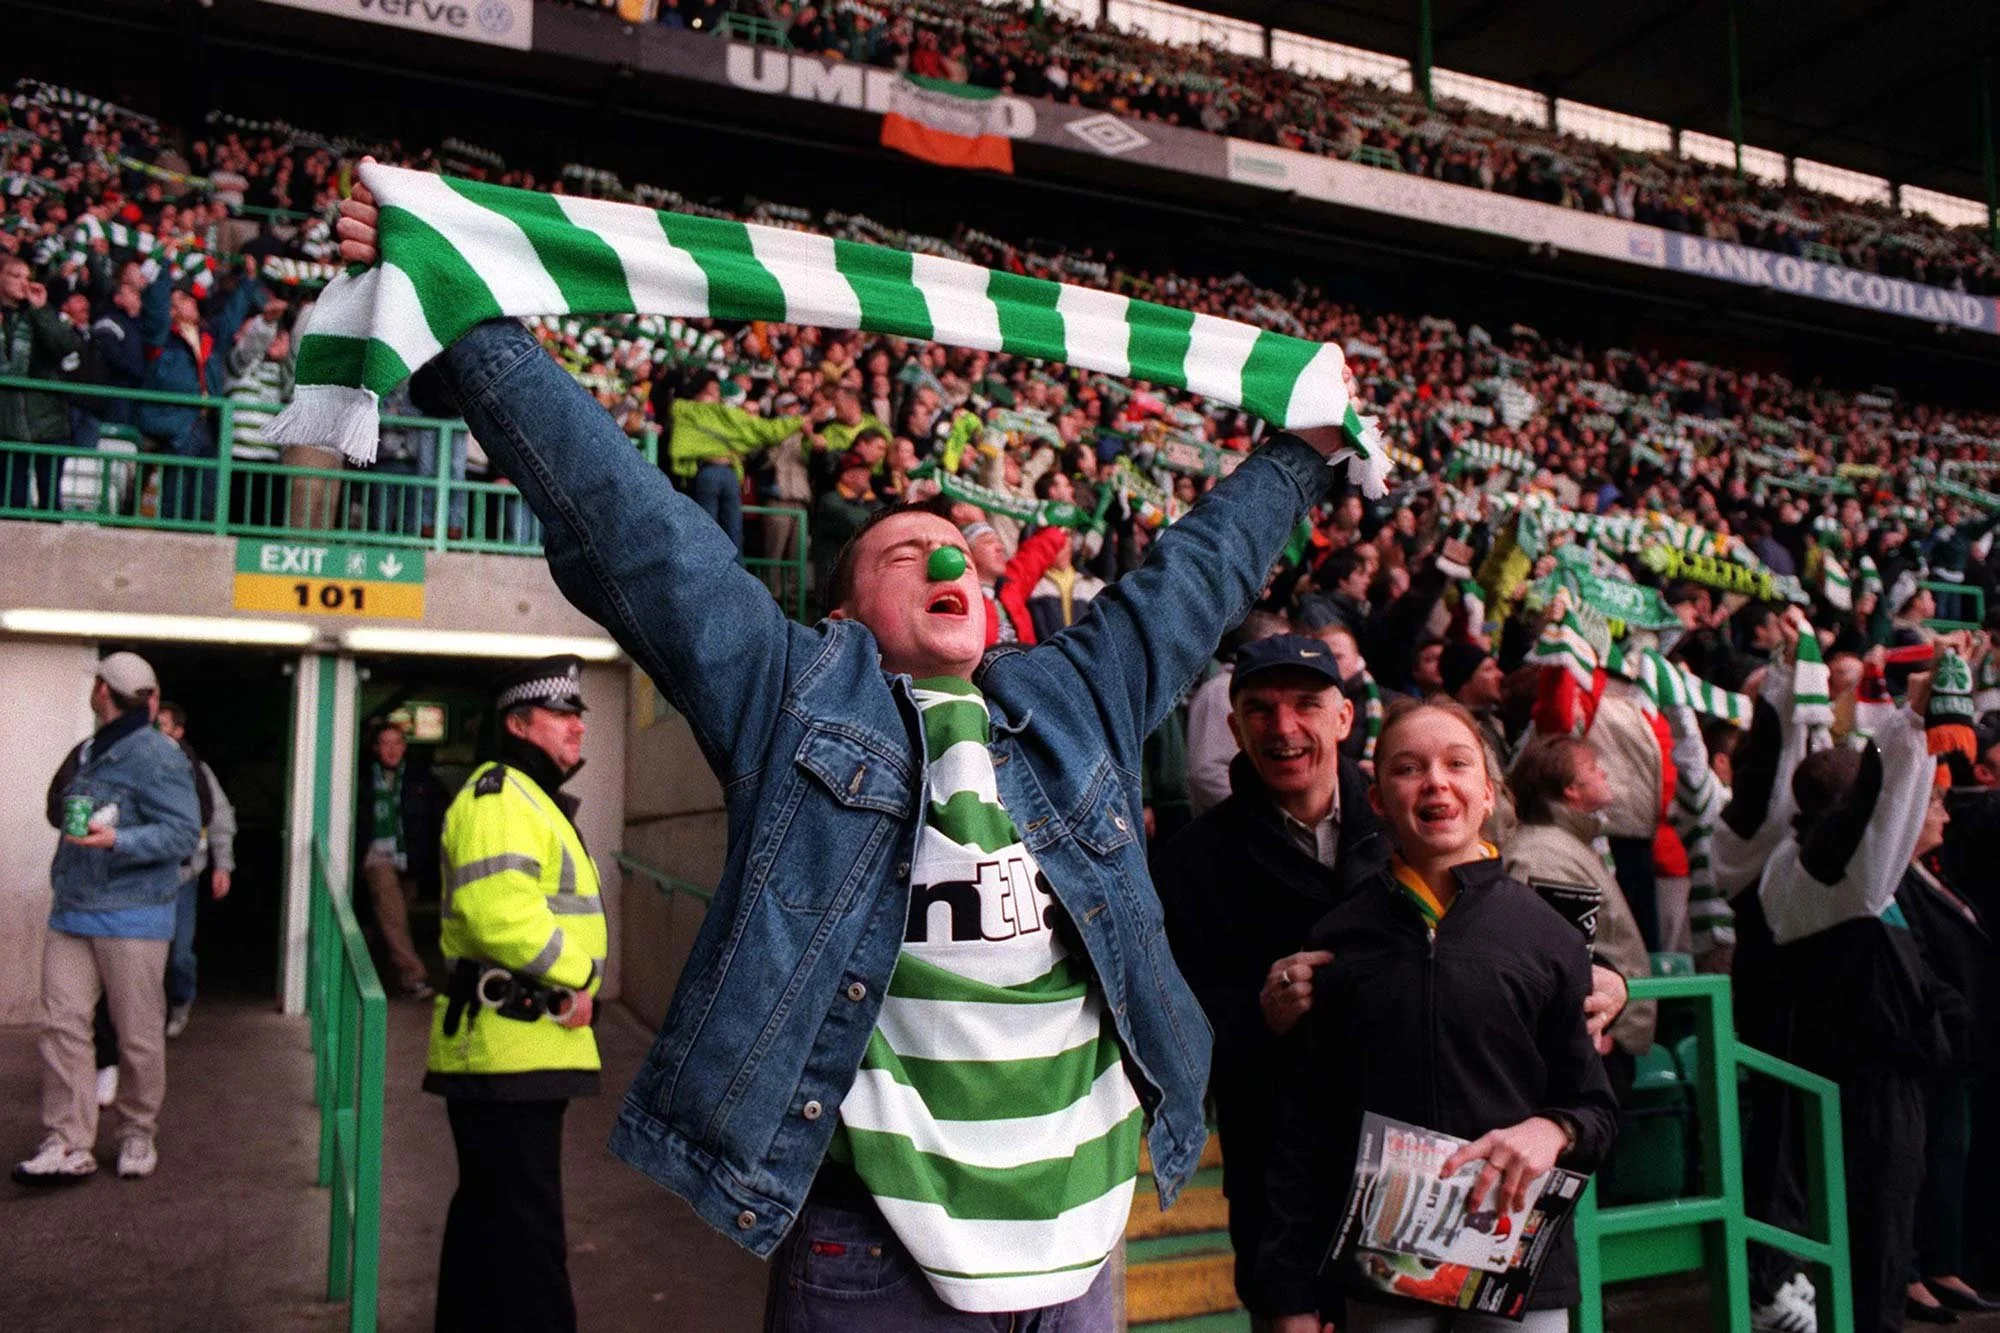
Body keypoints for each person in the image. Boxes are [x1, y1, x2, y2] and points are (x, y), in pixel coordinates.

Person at [345, 165, 1356, 1325]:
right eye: (901, 554)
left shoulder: (1074, 696)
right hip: (872, 1250)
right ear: (840, 613)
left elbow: (1197, 573)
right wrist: (467, 323)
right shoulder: (792, 697)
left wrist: (1300, 449)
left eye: (958, 551)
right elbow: (632, 531)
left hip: (1082, 1250)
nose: (947, 561)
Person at [1257, 699, 1619, 1332]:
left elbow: (1597, 1111)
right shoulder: (1339, 941)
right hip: (1382, 1272)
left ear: (1489, 792)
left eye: (1457, 764)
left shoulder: (1548, 937)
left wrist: (1552, 1131)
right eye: (1407, 768)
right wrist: (1290, 1294)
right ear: (1377, 800)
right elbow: (1302, 1129)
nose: (1435, 782)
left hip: (1516, 1270)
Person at [1159, 634, 1388, 1326]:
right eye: (1260, 708)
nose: (1283, 727)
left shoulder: (1404, 825)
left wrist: (1604, 977)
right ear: (1234, 728)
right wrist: (1258, 1013)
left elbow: (1499, 924)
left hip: (1407, 1160)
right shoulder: (1192, 861)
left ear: (1344, 718)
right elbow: (1172, 1022)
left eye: (1306, 704)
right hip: (1277, 1178)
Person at [429, 656, 605, 1333]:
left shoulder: (526, 797)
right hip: (508, 1047)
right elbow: (497, 913)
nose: (577, 726)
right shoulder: (501, 796)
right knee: (527, 1236)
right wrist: (581, 976)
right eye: (561, 714)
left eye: (578, 714)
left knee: (490, 1221)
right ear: (518, 723)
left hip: (515, 1046)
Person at [16, 652, 200, 1186]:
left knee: (137, 1034)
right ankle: (68, 1140)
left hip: (133, 914)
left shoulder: (160, 756)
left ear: (101, 691)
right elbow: (59, 808)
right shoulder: (89, 750)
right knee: (62, 1026)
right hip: (73, 909)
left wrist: (118, 838)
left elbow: (183, 833)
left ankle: (137, 1131)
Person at [1503, 735, 1657, 1072]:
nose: (1603, 774)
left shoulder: (1565, 846)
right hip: (1589, 1050)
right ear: (1571, 789)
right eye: (1592, 768)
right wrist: (1598, 1038)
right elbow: (1555, 970)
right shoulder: (1545, 856)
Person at [155, 701, 236, 1038]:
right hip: (141, 878)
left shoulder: (197, 773)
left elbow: (220, 819)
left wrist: (223, 866)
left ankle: (180, 1001)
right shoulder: (134, 765)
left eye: (161, 725)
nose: (154, 733)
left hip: (183, 878)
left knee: (179, 956)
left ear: (178, 731)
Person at [356, 719, 447, 999]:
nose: (392, 750)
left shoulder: (422, 779)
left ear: (405, 747)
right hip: (375, 858)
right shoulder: (361, 777)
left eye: (397, 743)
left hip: (409, 859)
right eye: (385, 744)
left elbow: (441, 815)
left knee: (392, 921)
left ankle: (371, 976)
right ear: (376, 748)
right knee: (393, 917)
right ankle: (413, 977)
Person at [1, 253, 83, 513]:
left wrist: (41, 311)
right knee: (12, 503)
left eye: (27, 277)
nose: (23, 283)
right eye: (15, 276)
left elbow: (66, 347)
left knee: (50, 504)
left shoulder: (42, 313)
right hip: (7, 426)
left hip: (48, 423)